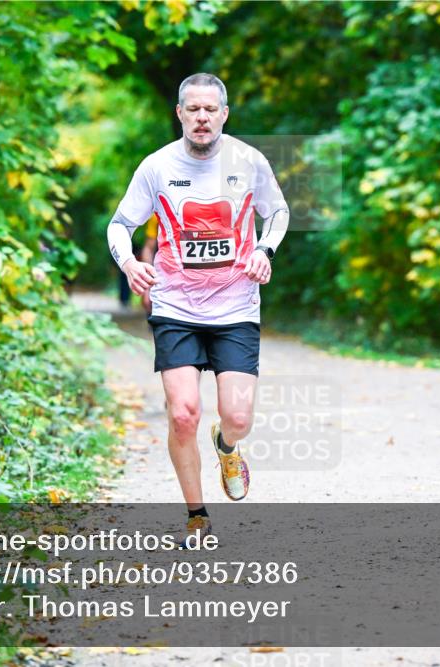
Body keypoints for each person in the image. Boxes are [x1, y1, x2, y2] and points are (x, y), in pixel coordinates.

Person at [106, 73, 289, 544]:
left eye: (211, 109)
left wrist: (264, 251)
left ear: (224, 114)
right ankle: (196, 515)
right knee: (183, 412)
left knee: (238, 417)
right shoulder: (157, 166)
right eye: (194, 109)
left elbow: (279, 211)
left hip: (236, 305)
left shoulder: (249, 161)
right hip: (175, 304)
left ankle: (227, 447)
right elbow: (120, 224)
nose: (202, 117)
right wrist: (128, 263)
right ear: (181, 114)